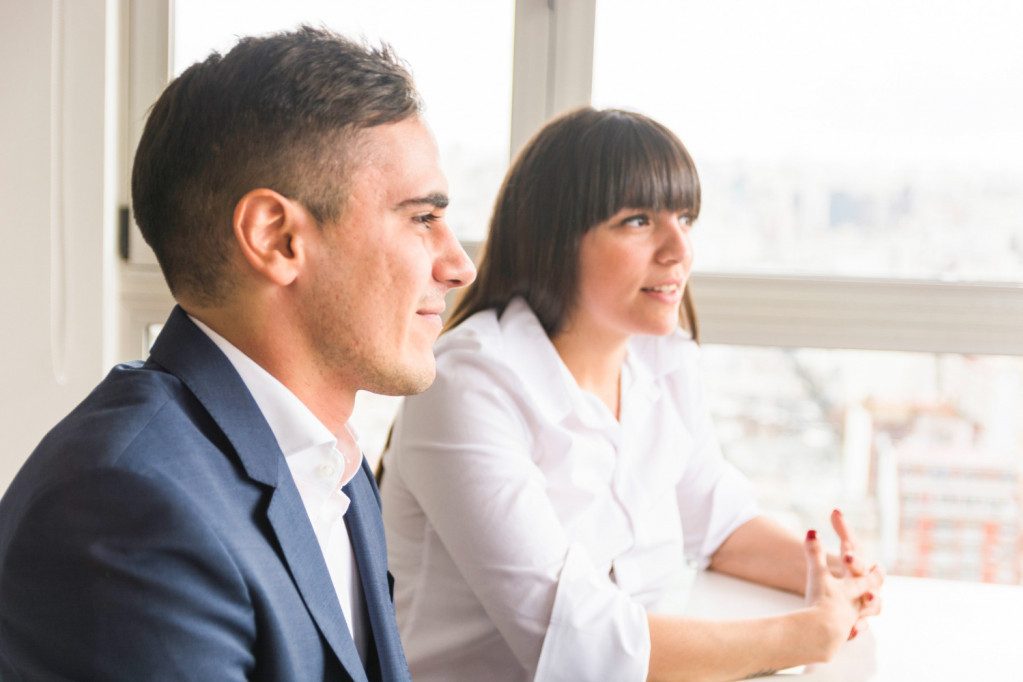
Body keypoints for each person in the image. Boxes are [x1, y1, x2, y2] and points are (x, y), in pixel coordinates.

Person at [0, 27, 474, 681]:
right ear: (277, 238)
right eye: (422, 218)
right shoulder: (127, 501)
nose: (459, 266)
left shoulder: (330, 460)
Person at [379, 107, 883, 682]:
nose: (678, 250)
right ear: (556, 238)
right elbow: (580, 640)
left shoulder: (660, 358)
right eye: (639, 221)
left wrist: (835, 572)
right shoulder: (468, 382)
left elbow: (718, 525)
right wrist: (802, 636)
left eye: (686, 218)